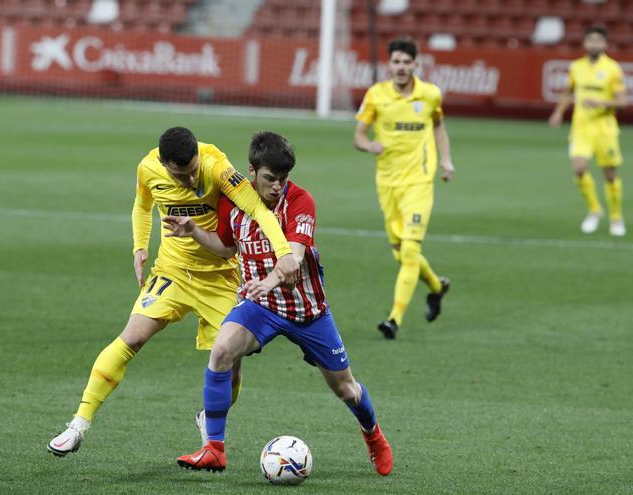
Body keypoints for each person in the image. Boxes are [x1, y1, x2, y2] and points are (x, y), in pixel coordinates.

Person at [47, 127, 300, 456]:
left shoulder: (217, 167)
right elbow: (142, 206)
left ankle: (209, 416)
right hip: (173, 272)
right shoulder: (147, 168)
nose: (189, 180)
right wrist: (139, 247)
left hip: (221, 277)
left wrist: (284, 254)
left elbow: (259, 211)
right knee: (132, 337)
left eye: (193, 170)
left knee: (230, 363)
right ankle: (78, 425)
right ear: (165, 164)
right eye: (181, 175)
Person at [168, 131, 393, 476]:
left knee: (346, 388)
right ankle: (213, 449)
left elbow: (294, 260)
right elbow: (228, 248)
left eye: (282, 179)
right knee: (221, 351)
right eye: (270, 178)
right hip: (261, 307)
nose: (276, 186)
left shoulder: (301, 202)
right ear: (252, 171)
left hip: (307, 312)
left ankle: (373, 435)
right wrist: (194, 231)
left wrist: (267, 282)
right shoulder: (233, 202)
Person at [353, 36, 456, 340]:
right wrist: (369, 145)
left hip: (420, 181)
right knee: (401, 255)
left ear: (415, 64)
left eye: (406, 62)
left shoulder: (430, 95)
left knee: (410, 250)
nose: (401, 67)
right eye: (396, 61)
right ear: (389, 64)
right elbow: (358, 135)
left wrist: (446, 161)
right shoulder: (376, 95)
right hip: (387, 183)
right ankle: (437, 287)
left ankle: (394, 319)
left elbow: (438, 126)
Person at [549, 25, 628, 236]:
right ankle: (594, 210)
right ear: (585, 43)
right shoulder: (576, 67)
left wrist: (600, 102)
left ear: (605, 44)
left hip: (604, 128)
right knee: (579, 168)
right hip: (581, 127)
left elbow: (622, 102)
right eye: (590, 40)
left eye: (598, 41)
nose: (594, 44)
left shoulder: (613, 69)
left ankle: (616, 216)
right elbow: (568, 92)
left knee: (610, 175)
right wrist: (558, 113)